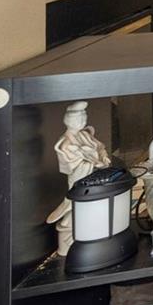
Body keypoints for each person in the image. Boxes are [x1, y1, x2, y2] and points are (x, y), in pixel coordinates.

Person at [45, 101, 112, 256]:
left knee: (92, 203)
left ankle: (90, 233)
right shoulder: (66, 142)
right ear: (70, 121)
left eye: (84, 117)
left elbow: (100, 147)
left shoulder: (85, 135)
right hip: (80, 177)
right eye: (79, 118)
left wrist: (103, 157)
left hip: (93, 177)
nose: (83, 121)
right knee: (76, 202)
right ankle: (70, 235)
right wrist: (93, 162)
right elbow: (72, 162)